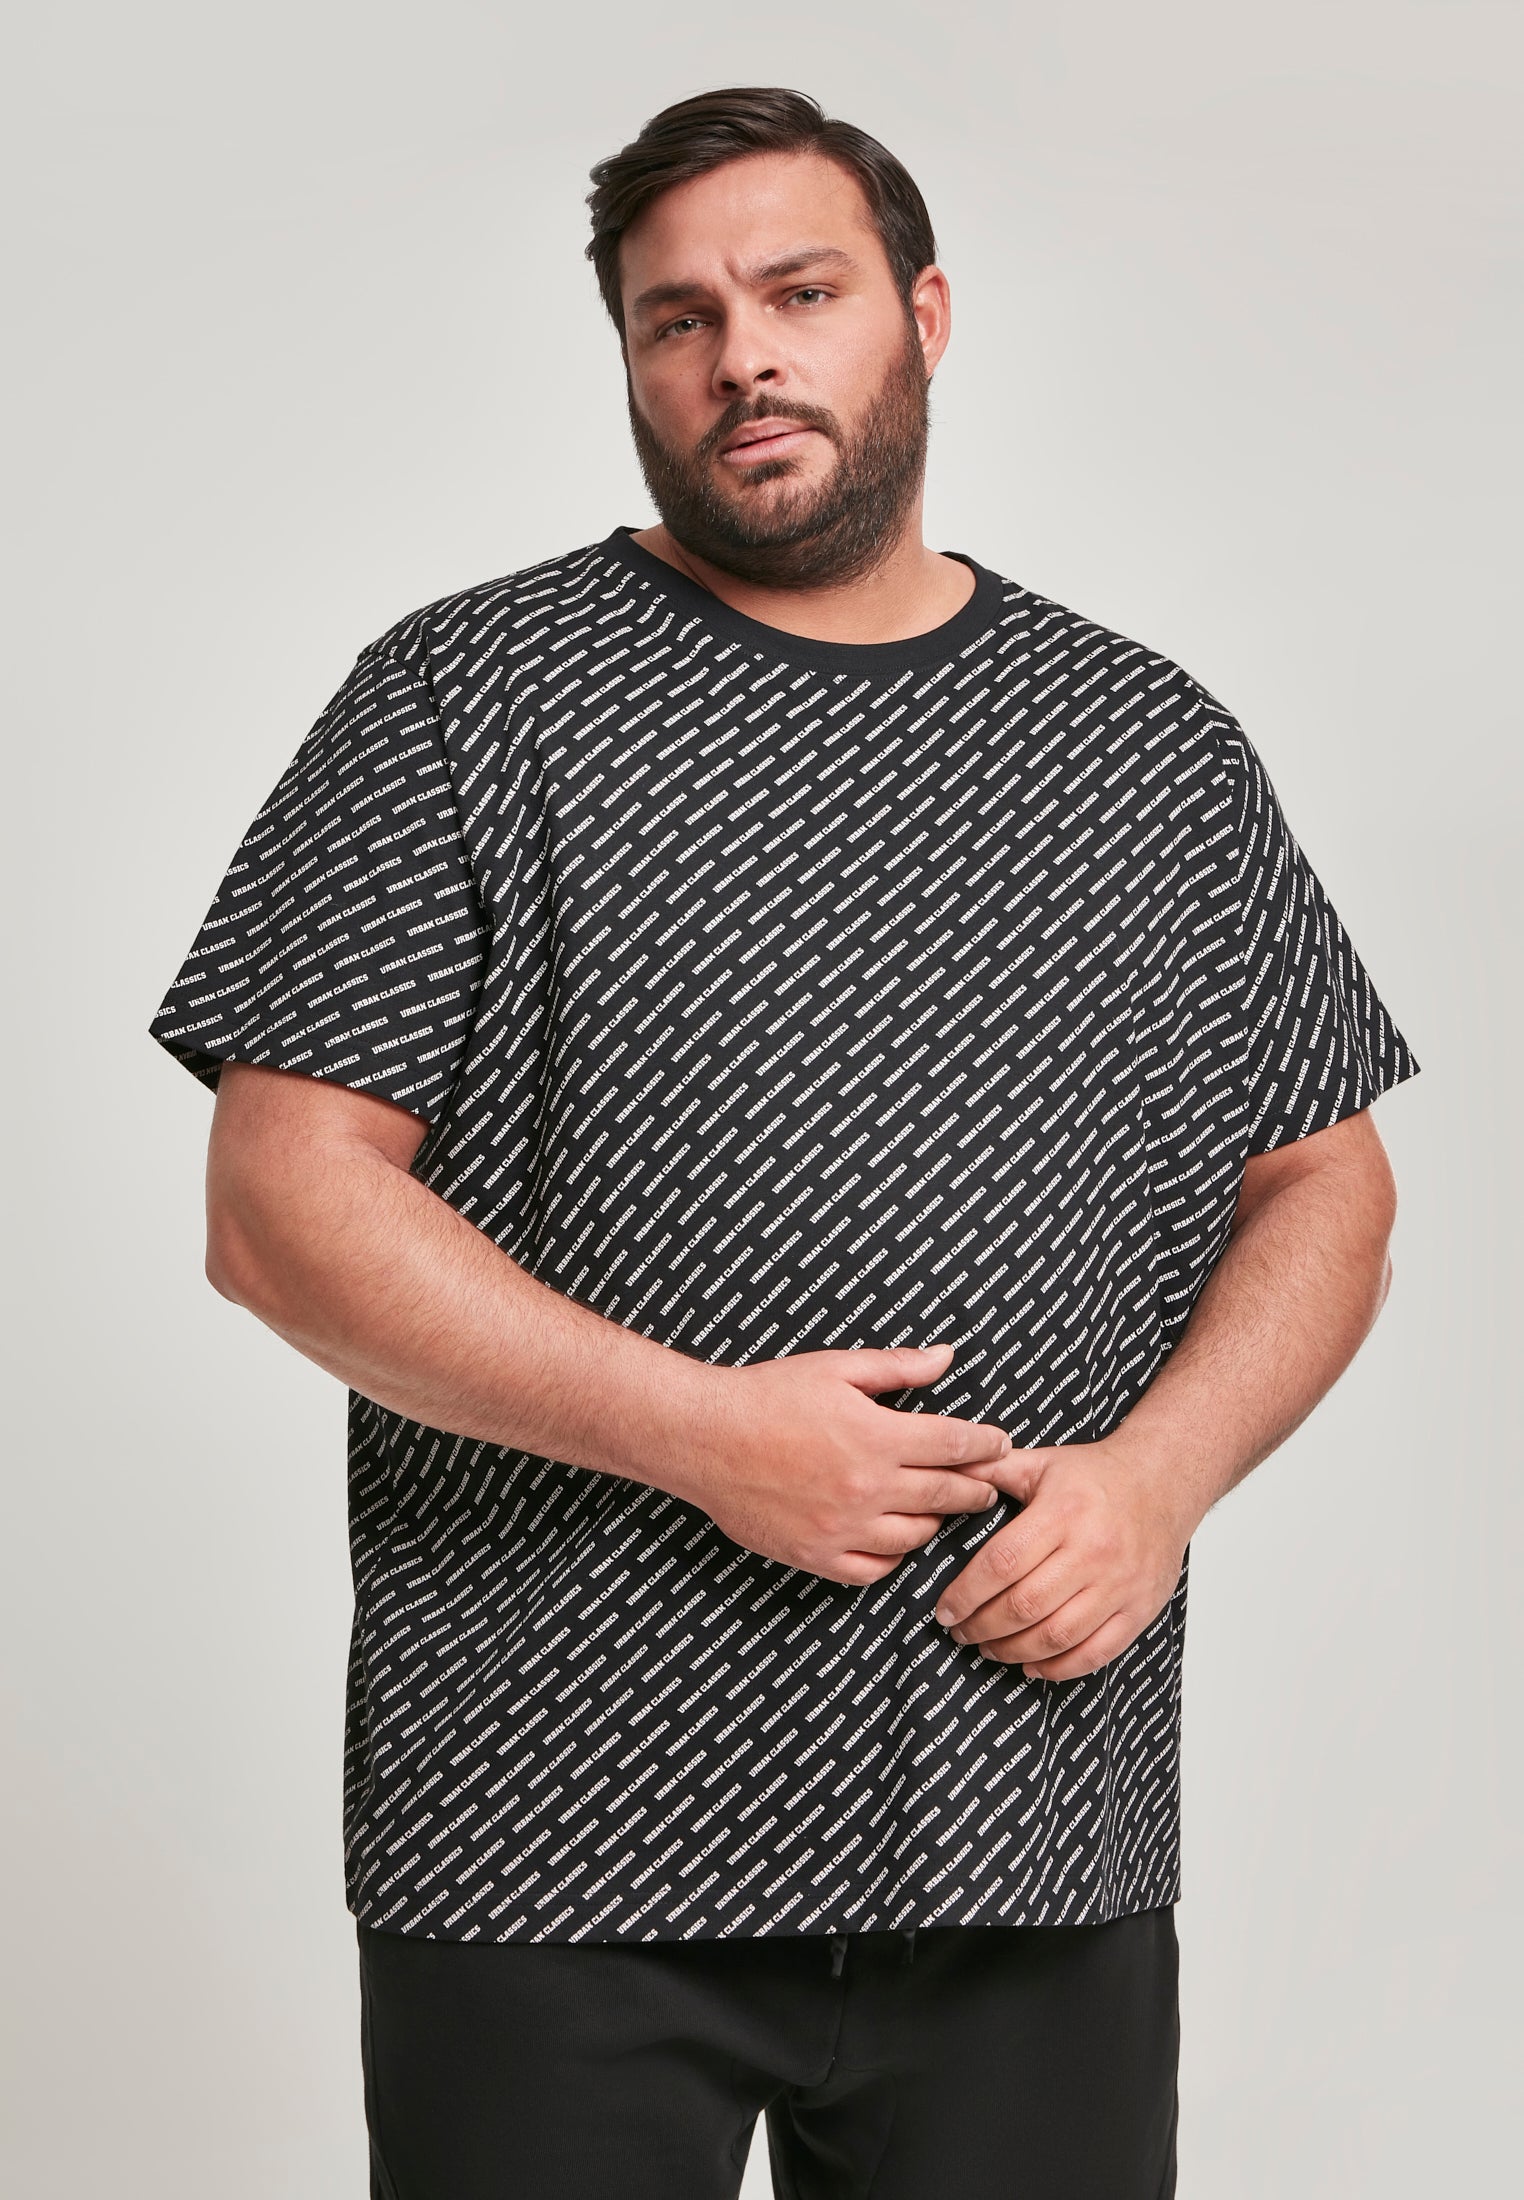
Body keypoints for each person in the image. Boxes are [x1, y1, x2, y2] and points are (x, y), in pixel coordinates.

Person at [148, 84, 1420, 2200]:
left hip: (1026, 1808)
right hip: (549, 1830)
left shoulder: (1146, 743)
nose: (741, 355)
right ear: (632, 364)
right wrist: (700, 1433)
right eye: (680, 318)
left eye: (799, 293)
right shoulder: (464, 699)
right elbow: (281, 1204)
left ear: (924, 315)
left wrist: (1161, 1479)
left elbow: (1329, 1178)